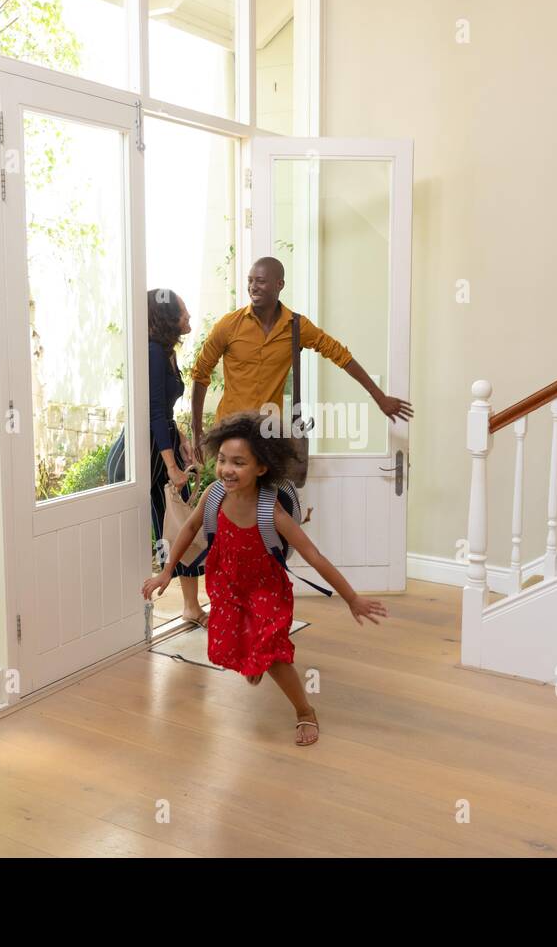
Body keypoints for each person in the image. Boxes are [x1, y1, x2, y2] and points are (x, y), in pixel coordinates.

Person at [141, 411, 389, 746]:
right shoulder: (213, 495)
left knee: (272, 654)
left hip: (266, 589)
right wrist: (167, 570)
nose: (228, 469)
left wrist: (351, 598)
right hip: (226, 585)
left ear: (261, 468)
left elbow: (314, 555)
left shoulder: (270, 511)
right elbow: (188, 528)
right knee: (227, 646)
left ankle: (304, 711)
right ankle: (254, 659)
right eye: (224, 460)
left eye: (239, 462)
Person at [188, 257, 414, 464]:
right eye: (250, 281)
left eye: (261, 281)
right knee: (234, 499)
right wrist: (196, 428)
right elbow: (200, 373)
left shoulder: (297, 327)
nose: (253, 287)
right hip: (231, 431)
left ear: (280, 284)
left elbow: (341, 356)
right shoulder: (229, 325)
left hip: (268, 433)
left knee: (266, 502)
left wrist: (379, 396)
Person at [111, 289, 208, 627]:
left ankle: (190, 606)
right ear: (168, 318)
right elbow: (152, 412)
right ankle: (126, 614)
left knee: (175, 528)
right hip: (140, 455)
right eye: (184, 310)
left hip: (160, 448)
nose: (189, 316)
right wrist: (171, 467)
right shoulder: (152, 352)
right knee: (150, 532)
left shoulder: (166, 352)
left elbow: (163, 410)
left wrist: (180, 436)